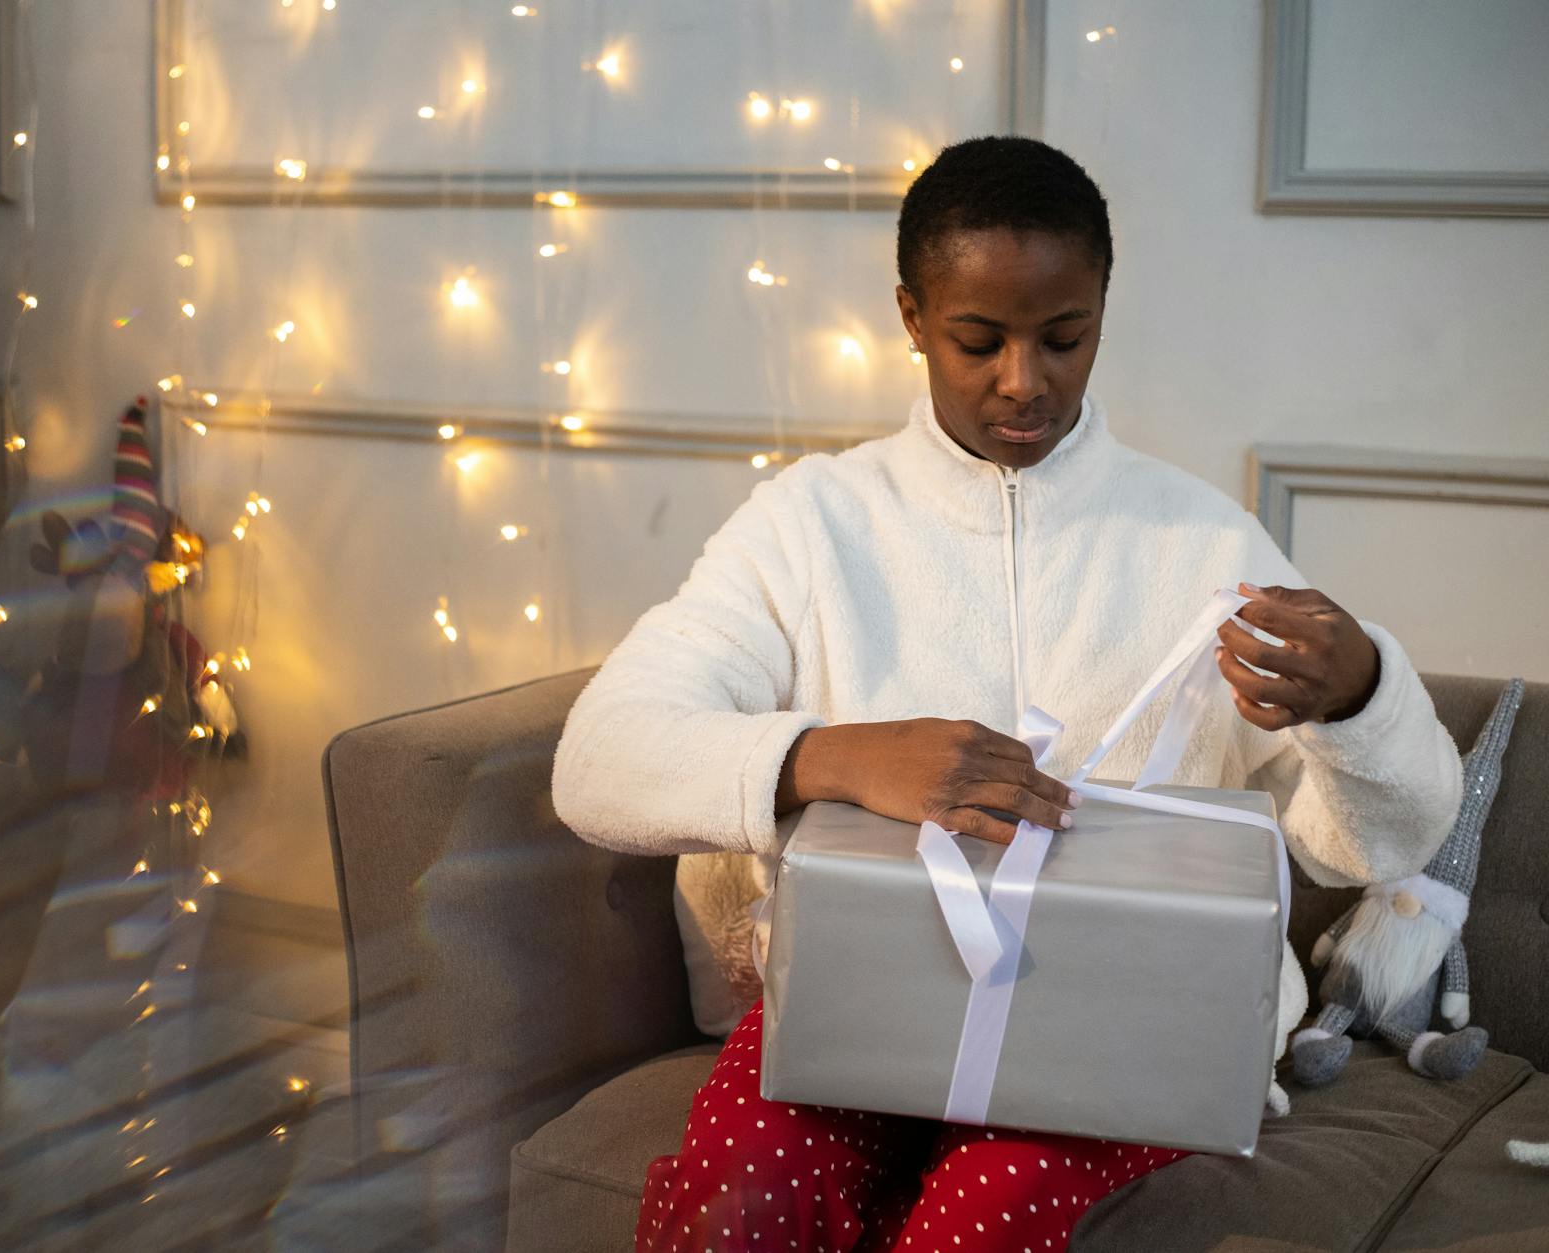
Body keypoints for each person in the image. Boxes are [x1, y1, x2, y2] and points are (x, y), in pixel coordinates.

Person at [550, 136, 1465, 1253]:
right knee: (745, 1188)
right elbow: (597, 757)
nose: (1022, 380)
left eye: (1062, 337)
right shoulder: (807, 524)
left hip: (1131, 1015)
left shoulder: (1198, 544)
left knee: (988, 1211)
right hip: (856, 994)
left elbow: (1366, 847)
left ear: (1100, 313)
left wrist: (1359, 695)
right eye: (976, 339)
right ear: (909, 314)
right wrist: (832, 755)